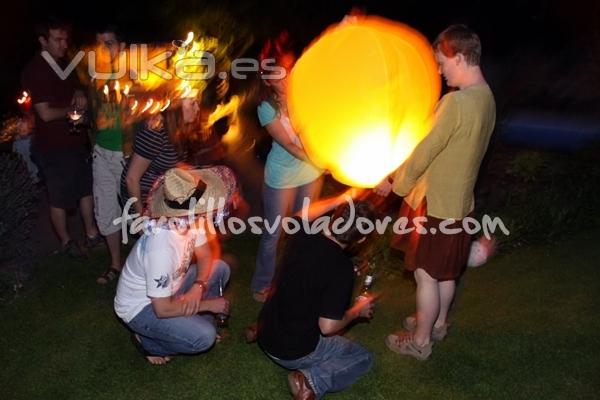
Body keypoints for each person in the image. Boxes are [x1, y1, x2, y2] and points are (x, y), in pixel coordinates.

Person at [374, 24, 496, 360]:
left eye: (442, 62)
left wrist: (395, 186)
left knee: (426, 275)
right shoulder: (486, 98)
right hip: (461, 205)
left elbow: (424, 151)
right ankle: (438, 322)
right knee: (447, 272)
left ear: (459, 56)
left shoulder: (455, 102)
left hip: (438, 207)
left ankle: (420, 341)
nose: (440, 71)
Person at [257, 192, 376, 399]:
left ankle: (253, 330)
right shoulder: (342, 268)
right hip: (291, 351)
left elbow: (302, 214)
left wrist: (339, 200)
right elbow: (327, 327)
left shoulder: (301, 234)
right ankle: (310, 380)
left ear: (333, 217)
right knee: (361, 356)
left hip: (265, 331)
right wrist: (358, 311)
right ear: (363, 238)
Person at [114, 166, 235, 365]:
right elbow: (162, 309)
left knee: (220, 268)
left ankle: (190, 327)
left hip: (169, 290)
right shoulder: (161, 247)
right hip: (142, 309)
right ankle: (147, 342)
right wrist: (209, 305)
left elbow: (205, 255)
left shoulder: (191, 218)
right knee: (204, 338)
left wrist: (198, 287)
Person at [251, 33, 324, 302]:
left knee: (305, 228)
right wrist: (320, 160)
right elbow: (291, 146)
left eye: (287, 71)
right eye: (277, 75)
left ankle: (296, 278)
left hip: (310, 174)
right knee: (273, 234)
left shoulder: (304, 94)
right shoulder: (266, 108)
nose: (285, 77)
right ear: (268, 80)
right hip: (281, 176)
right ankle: (262, 284)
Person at [21, 17, 99, 258]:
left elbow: (74, 88)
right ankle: (66, 242)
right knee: (59, 198)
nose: (64, 44)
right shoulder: (36, 70)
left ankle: (92, 234)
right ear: (43, 41)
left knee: (85, 189)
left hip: (75, 142)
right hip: (53, 148)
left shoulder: (63, 65)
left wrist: (78, 92)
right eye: (58, 39)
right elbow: (44, 114)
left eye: (66, 38)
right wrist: (72, 109)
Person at [90, 25, 135, 284]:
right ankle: (116, 265)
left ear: (121, 46)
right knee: (106, 212)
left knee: (140, 213)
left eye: (108, 43)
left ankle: (152, 267)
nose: (103, 50)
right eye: (99, 44)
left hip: (128, 156)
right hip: (101, 154)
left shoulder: (135, 76)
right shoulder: (94, 78)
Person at [120, 95, 194, 218]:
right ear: (177, 107)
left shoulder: (179, 132)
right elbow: (131, 179)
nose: (197, 108)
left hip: (159, 194)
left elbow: (174, 164)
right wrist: (142, 217)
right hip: (139, 196)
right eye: (192, 104)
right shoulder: (155, 133)